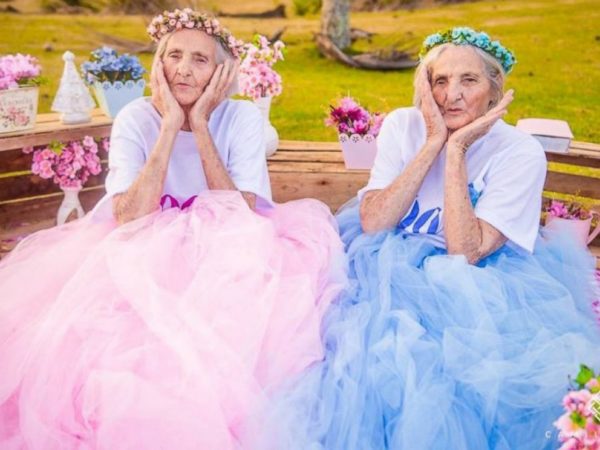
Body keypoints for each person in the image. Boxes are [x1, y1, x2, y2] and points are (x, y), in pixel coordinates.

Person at [0, 9, 346, 449]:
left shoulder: (240, 120)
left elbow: (240, 214)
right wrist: (167, 128)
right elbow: (130, 216)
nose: (183, 68)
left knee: (225, 335)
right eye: (173, 55)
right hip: (141, 245)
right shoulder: (135, 120)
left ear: (222, 73)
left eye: (200, 60)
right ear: (157, 64)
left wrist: (199, 124)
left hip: (228, 248)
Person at [261, 27, 600, 450]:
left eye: (468, 81)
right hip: (381, 264)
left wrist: (456, 150)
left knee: (439, 378)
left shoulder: (518, 152)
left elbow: (467, 251)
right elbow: (375, 221)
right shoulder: (405, 125)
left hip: (476, 287)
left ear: (495, 93)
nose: (451, 95)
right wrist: (433, 142)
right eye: (440, 80)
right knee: (334, 351)